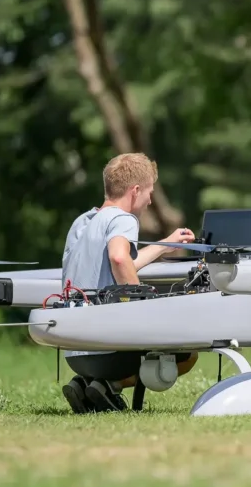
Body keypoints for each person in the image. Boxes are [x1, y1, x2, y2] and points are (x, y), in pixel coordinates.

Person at [58, 152, 198, 413]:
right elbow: (119, 258)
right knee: (188, 355)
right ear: (135, 191)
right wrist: (142, 307)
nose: (150, 200)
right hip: (108, 352)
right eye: (149, 192)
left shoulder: (84, 222)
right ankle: (110, 385)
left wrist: (164, 245)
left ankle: (87, 384)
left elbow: (118, 262)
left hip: (76, 350)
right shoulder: (124, 219)